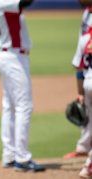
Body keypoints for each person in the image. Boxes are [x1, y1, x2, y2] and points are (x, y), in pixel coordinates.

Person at [0, 0, 45, 172]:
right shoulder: (2, 2)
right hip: (14, 58)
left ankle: (10, 155)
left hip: (12, 57)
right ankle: (21, 157)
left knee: (10, 106)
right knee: (24, 106)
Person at [64, 0, 92, 159]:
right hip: (87, 68)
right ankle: (84, 148)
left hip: (86, 71)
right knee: (88, 110)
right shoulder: (87, 12)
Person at [70, 23, 92, 178]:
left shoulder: (85, 38)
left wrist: (80, 93)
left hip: (87, 83)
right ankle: (89, 166)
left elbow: (79, 68)